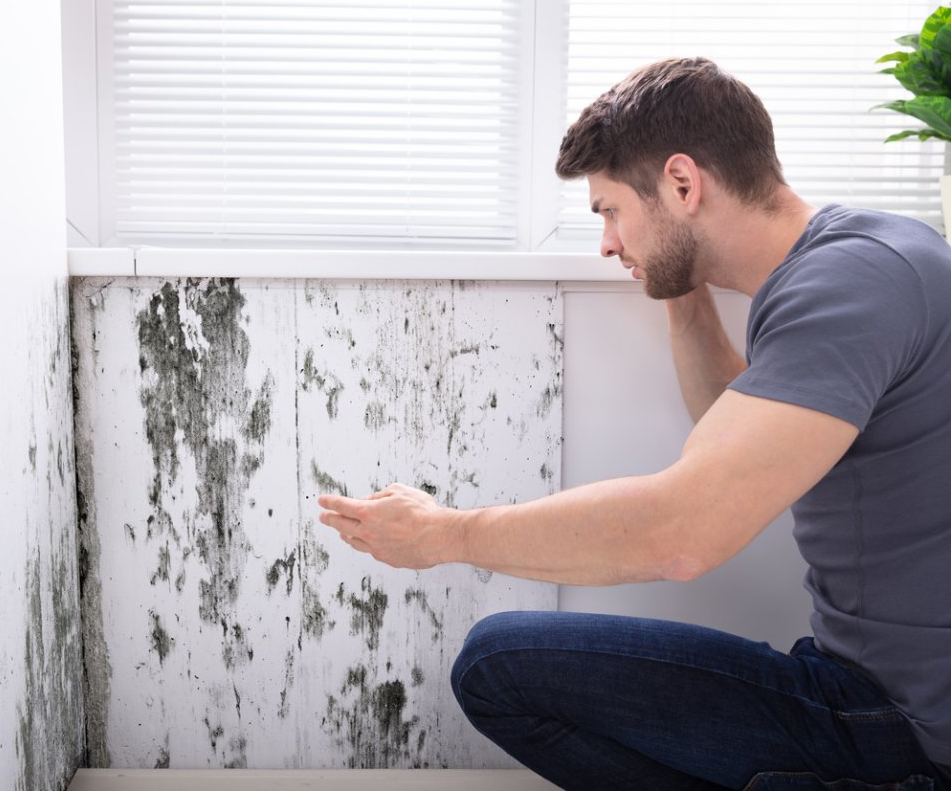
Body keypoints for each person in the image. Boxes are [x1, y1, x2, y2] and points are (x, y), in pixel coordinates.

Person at [316, 57, 951, 790]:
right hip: (879, 698)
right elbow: (737, 433)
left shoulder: (847, 287)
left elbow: (682, 536)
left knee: (496, 664)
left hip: (895, 729)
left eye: (612, 210)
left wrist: (444, 534)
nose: (608, 243)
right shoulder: (863, 259)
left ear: (683, 185)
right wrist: (680, 284)